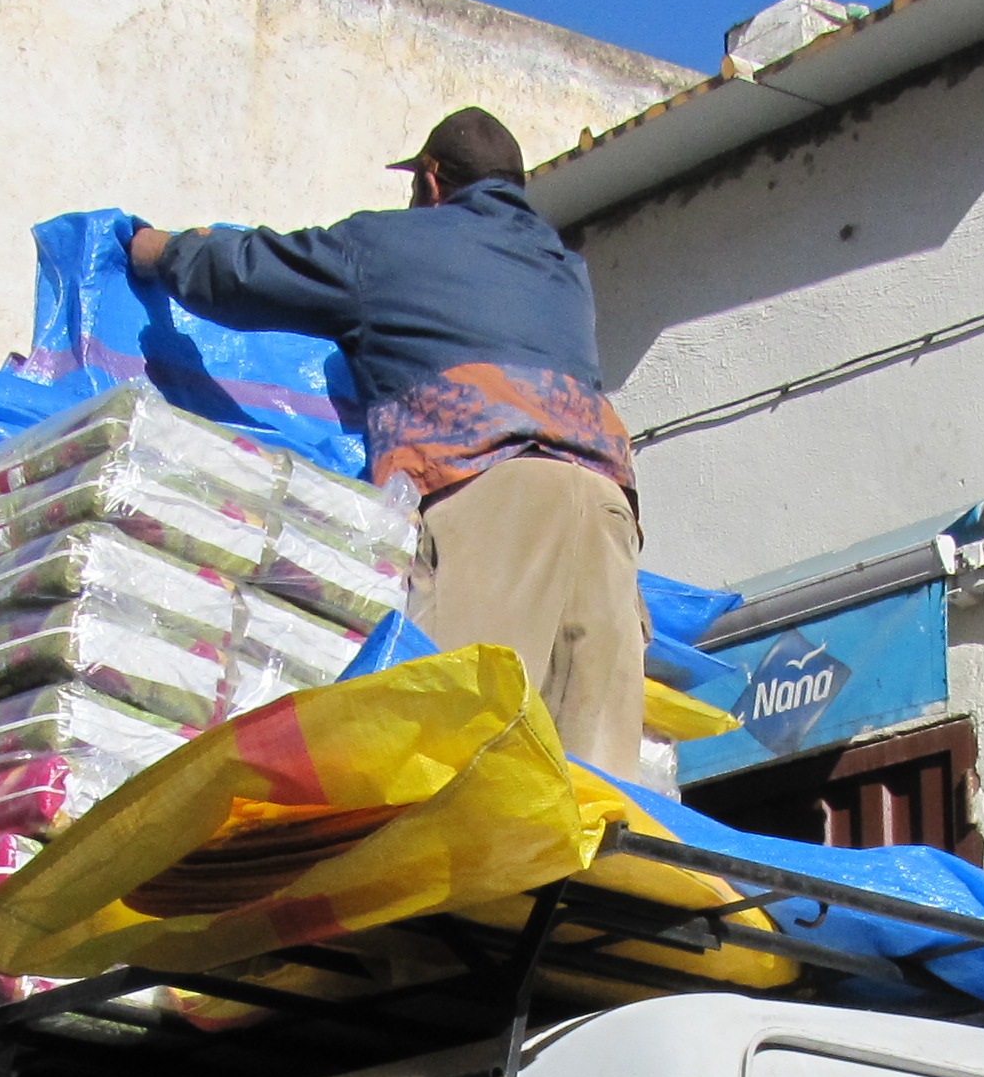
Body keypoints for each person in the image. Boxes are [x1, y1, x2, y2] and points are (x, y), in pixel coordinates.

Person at [129, 105, 648, 774]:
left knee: (453, 758)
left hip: (494, 496)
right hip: (607, 514)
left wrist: (157, 249)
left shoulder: (393, 246)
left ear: (431, 181)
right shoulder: (565, 273)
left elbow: (248, 271)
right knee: (589, 792)